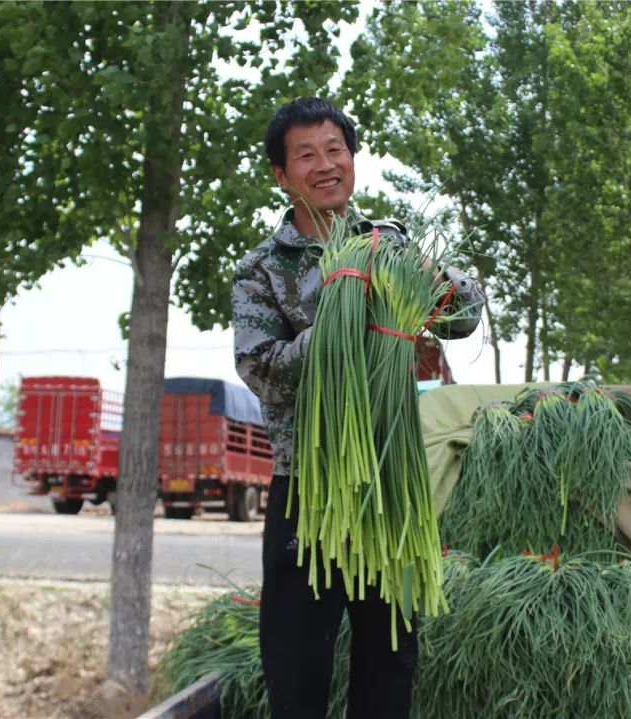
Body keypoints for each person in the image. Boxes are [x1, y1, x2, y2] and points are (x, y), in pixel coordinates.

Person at [231, 96, 484, 719]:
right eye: (306, 155)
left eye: (335, 149)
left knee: (389, 667)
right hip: (307, 490)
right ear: (281, 175)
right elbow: (260, 366)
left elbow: (465, 315)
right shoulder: (260, 270)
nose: (324, 165)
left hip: (389, 482)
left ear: (353, 159)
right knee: (296, 670)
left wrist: (428, 281)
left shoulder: (389, 245)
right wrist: (344, 317)